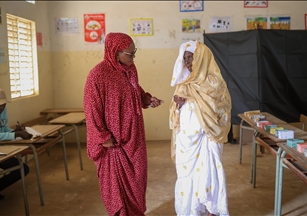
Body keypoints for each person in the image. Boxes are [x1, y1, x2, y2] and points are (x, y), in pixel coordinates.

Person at [83, 32, 163, 216]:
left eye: (134, 53)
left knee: (137, 179)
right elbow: (91, 109)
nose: (133, 57)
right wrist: (103, 138)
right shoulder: (98, 75)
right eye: (129, 53)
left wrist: (147, 99)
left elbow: (135, 91)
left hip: (134, 138)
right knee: (116, 188)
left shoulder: (130, 69)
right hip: (114, 142)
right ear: (114, 52)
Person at [169, 40, 231, 216]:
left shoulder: (214, 82)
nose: (188, 62)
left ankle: (211, 210)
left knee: (209, 174)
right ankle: (192, 211)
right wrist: (178, 105)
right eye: (185, 59)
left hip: (207, 138)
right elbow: (175, 117)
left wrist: (193, 101)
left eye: (192, 58)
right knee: (187, 176)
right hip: (187, 141)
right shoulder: (183, 83)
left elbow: (221, 109)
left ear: (202, 59)